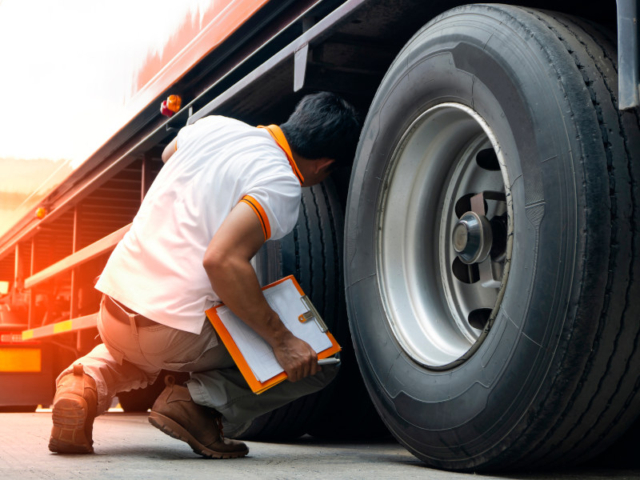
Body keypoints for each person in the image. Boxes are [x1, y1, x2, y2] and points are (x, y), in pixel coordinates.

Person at [48, 92, 361, 458]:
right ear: (324, 164)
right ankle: (194, 405)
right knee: (318, 362)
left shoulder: (214, 126)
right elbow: (222, 261)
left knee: (135, 354)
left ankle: (81, 385)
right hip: (172, 334)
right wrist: (283, 341)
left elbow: (169, 155)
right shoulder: (280, 180)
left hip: (114, 309)